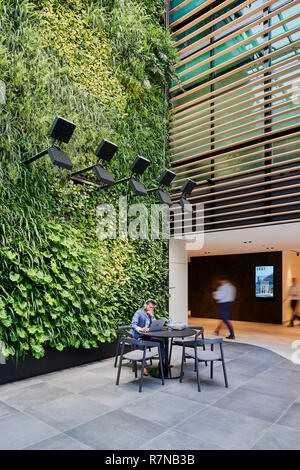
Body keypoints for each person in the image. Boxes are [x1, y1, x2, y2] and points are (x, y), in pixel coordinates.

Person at [130, 299, 166, 376]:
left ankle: (163, 362)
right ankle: (144, 366)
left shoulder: (151, 313)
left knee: (161, 342)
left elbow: (155, 324)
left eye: (153, 308)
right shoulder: (138, 313)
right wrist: (140, 329)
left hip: (146, 335)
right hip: (138, 335)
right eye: (150, 307)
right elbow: (133, 325)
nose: (151, 309)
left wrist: (152, 317)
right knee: (142, 344)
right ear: (145, 306)